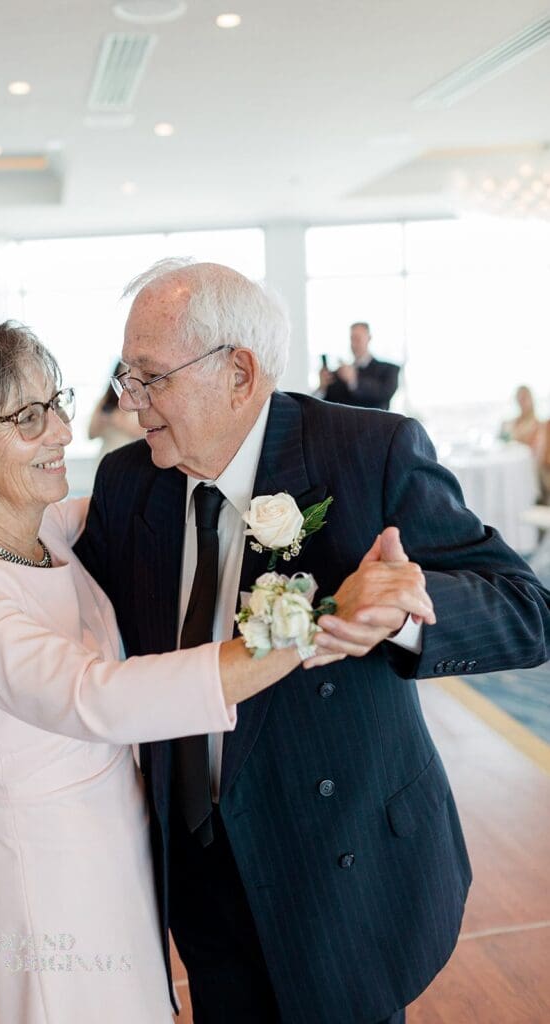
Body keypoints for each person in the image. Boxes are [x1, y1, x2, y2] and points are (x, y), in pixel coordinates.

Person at [68, 260, 548, 1024]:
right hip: (197, 862)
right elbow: (64, 607)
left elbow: (526, 608)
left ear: (238, 371)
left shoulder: (368, 452)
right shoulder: (131, 481)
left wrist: (405, 615)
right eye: (128, 376)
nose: (129, 401)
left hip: (340, 867)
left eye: (149, 377)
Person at [0, 319, 352, 1024]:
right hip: (46, 876)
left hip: (117, 846)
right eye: (27, 418)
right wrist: (303, 627)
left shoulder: (39, 531)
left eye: (56, 402)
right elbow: (92, 696)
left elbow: (155, 511)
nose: (62, 433)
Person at [317, 321, 399, 410]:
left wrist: (353, 381)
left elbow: (383, 395)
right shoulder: (339, 374)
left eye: (358, 339)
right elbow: (324, 405)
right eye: (352, 339)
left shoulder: (389, 370)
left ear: (369, 338)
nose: (354, 344)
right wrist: (322, 387)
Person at [87, 360, 144, 456]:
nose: (127, 378)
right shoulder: (106, 399)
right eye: (123, 373)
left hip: (132, 458)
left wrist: (118, 422)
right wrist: (102, 422)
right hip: (106, 456)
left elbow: (144, 434)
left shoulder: (143, 400)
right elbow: (90, 434)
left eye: (130, 373)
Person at [500, 384, 544, 453]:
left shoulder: (539, 425)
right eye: (519, 398)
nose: (521, 402)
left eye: (524, 398)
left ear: (531, 399)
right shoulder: (508, 423)